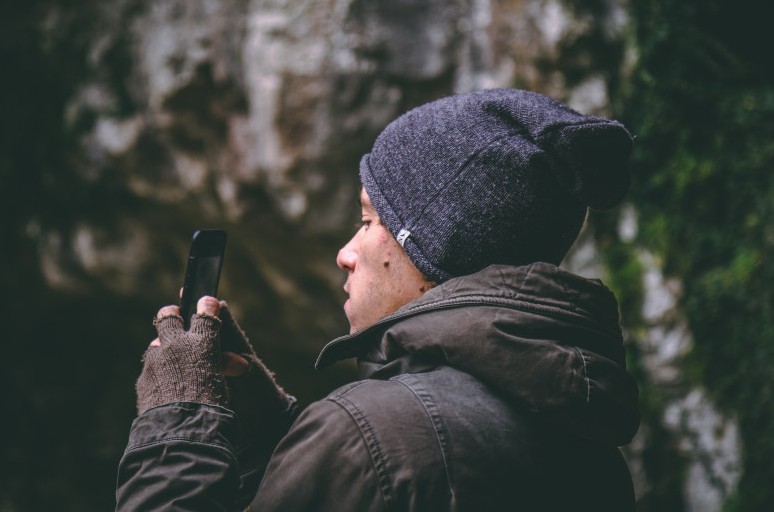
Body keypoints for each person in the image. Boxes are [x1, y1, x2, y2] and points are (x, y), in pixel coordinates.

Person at [116, 88, 640, 511]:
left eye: (368, 221)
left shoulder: (373, 438)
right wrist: (262, 427)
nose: (346, 253)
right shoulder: (587, 444)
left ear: (432, 243)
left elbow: (384, 461)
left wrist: (179, 423)